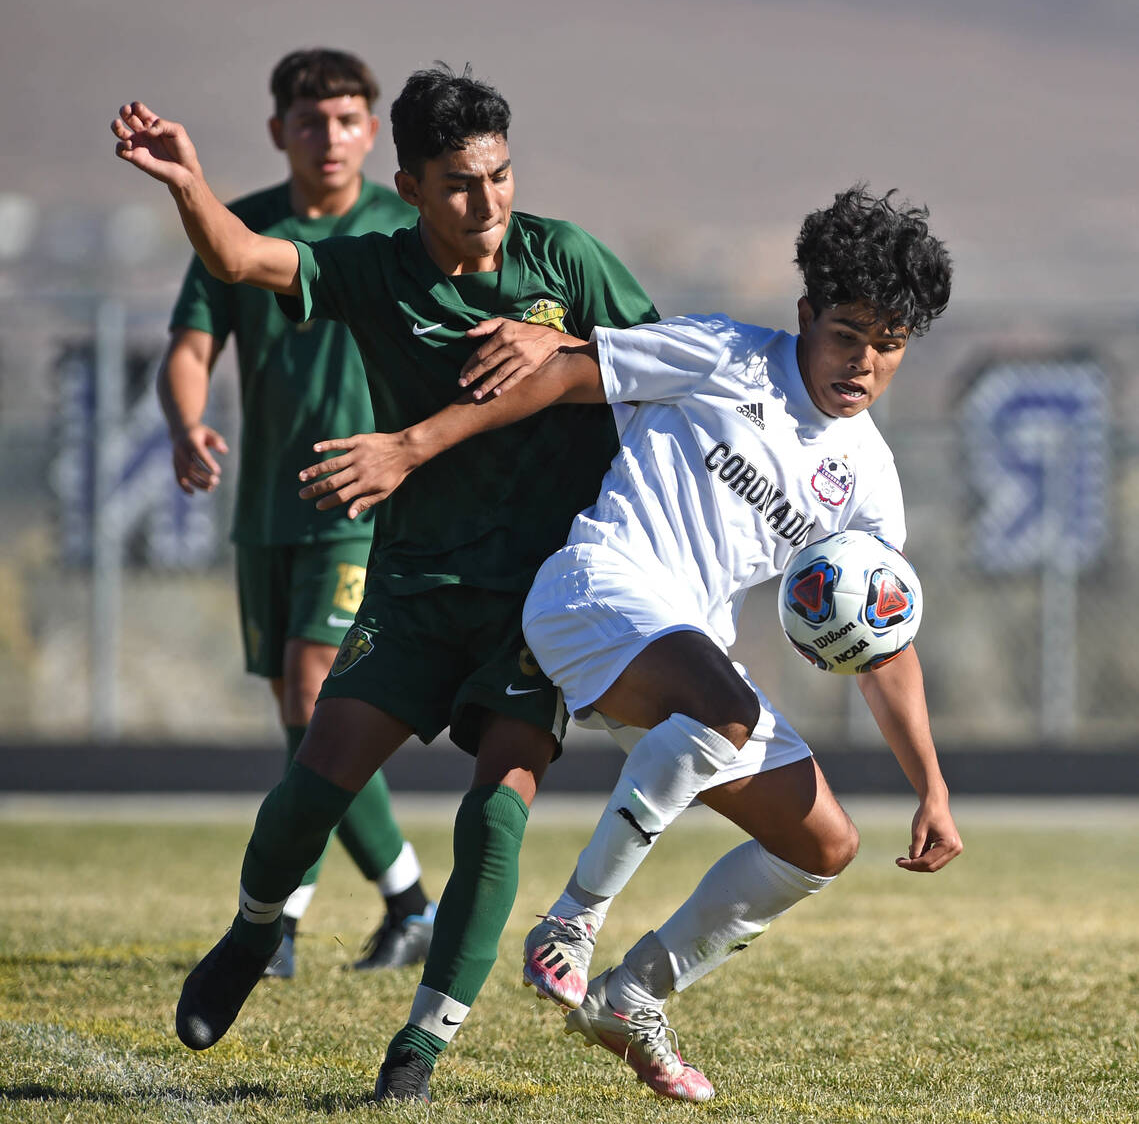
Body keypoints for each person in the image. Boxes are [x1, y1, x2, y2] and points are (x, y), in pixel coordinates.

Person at [297, 185, 964, 1102]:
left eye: (887, 343)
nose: (864, 361)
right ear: (806, 314)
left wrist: (928, 787)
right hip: (594, 592)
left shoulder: (869, 483)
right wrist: (425, 438)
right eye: (847, 333)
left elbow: (882, 644)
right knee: (723, 707)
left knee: (822, 845)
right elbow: (570, 374)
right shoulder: (728, 355)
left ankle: (632, 995)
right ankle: (570, 924)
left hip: (686, 665)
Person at [112, 64, 660, 1103]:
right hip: (413, 585)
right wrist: (186, 182)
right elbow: (238, 256)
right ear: (408, 188)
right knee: (313, 776)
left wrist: (563, 344)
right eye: (459, 183)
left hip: (542, 603)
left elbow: (664, 364)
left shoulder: (565, 259)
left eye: (498, 175)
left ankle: (419, 1048)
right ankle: (255, 928)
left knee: (494, 816)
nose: (486, 201)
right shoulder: (373, 268)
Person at [156, 49, 435, 981]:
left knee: (317, 686)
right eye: (311, 121)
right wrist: (187, 421)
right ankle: (395, 905)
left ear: (371, 131)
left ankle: (293, 917)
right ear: (280, 130)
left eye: (349, 119)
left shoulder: (406, 228)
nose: (330, 137)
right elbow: (190, 346)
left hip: (363, 507)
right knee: (297, 707)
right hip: (266, 511)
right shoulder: (241, 231)